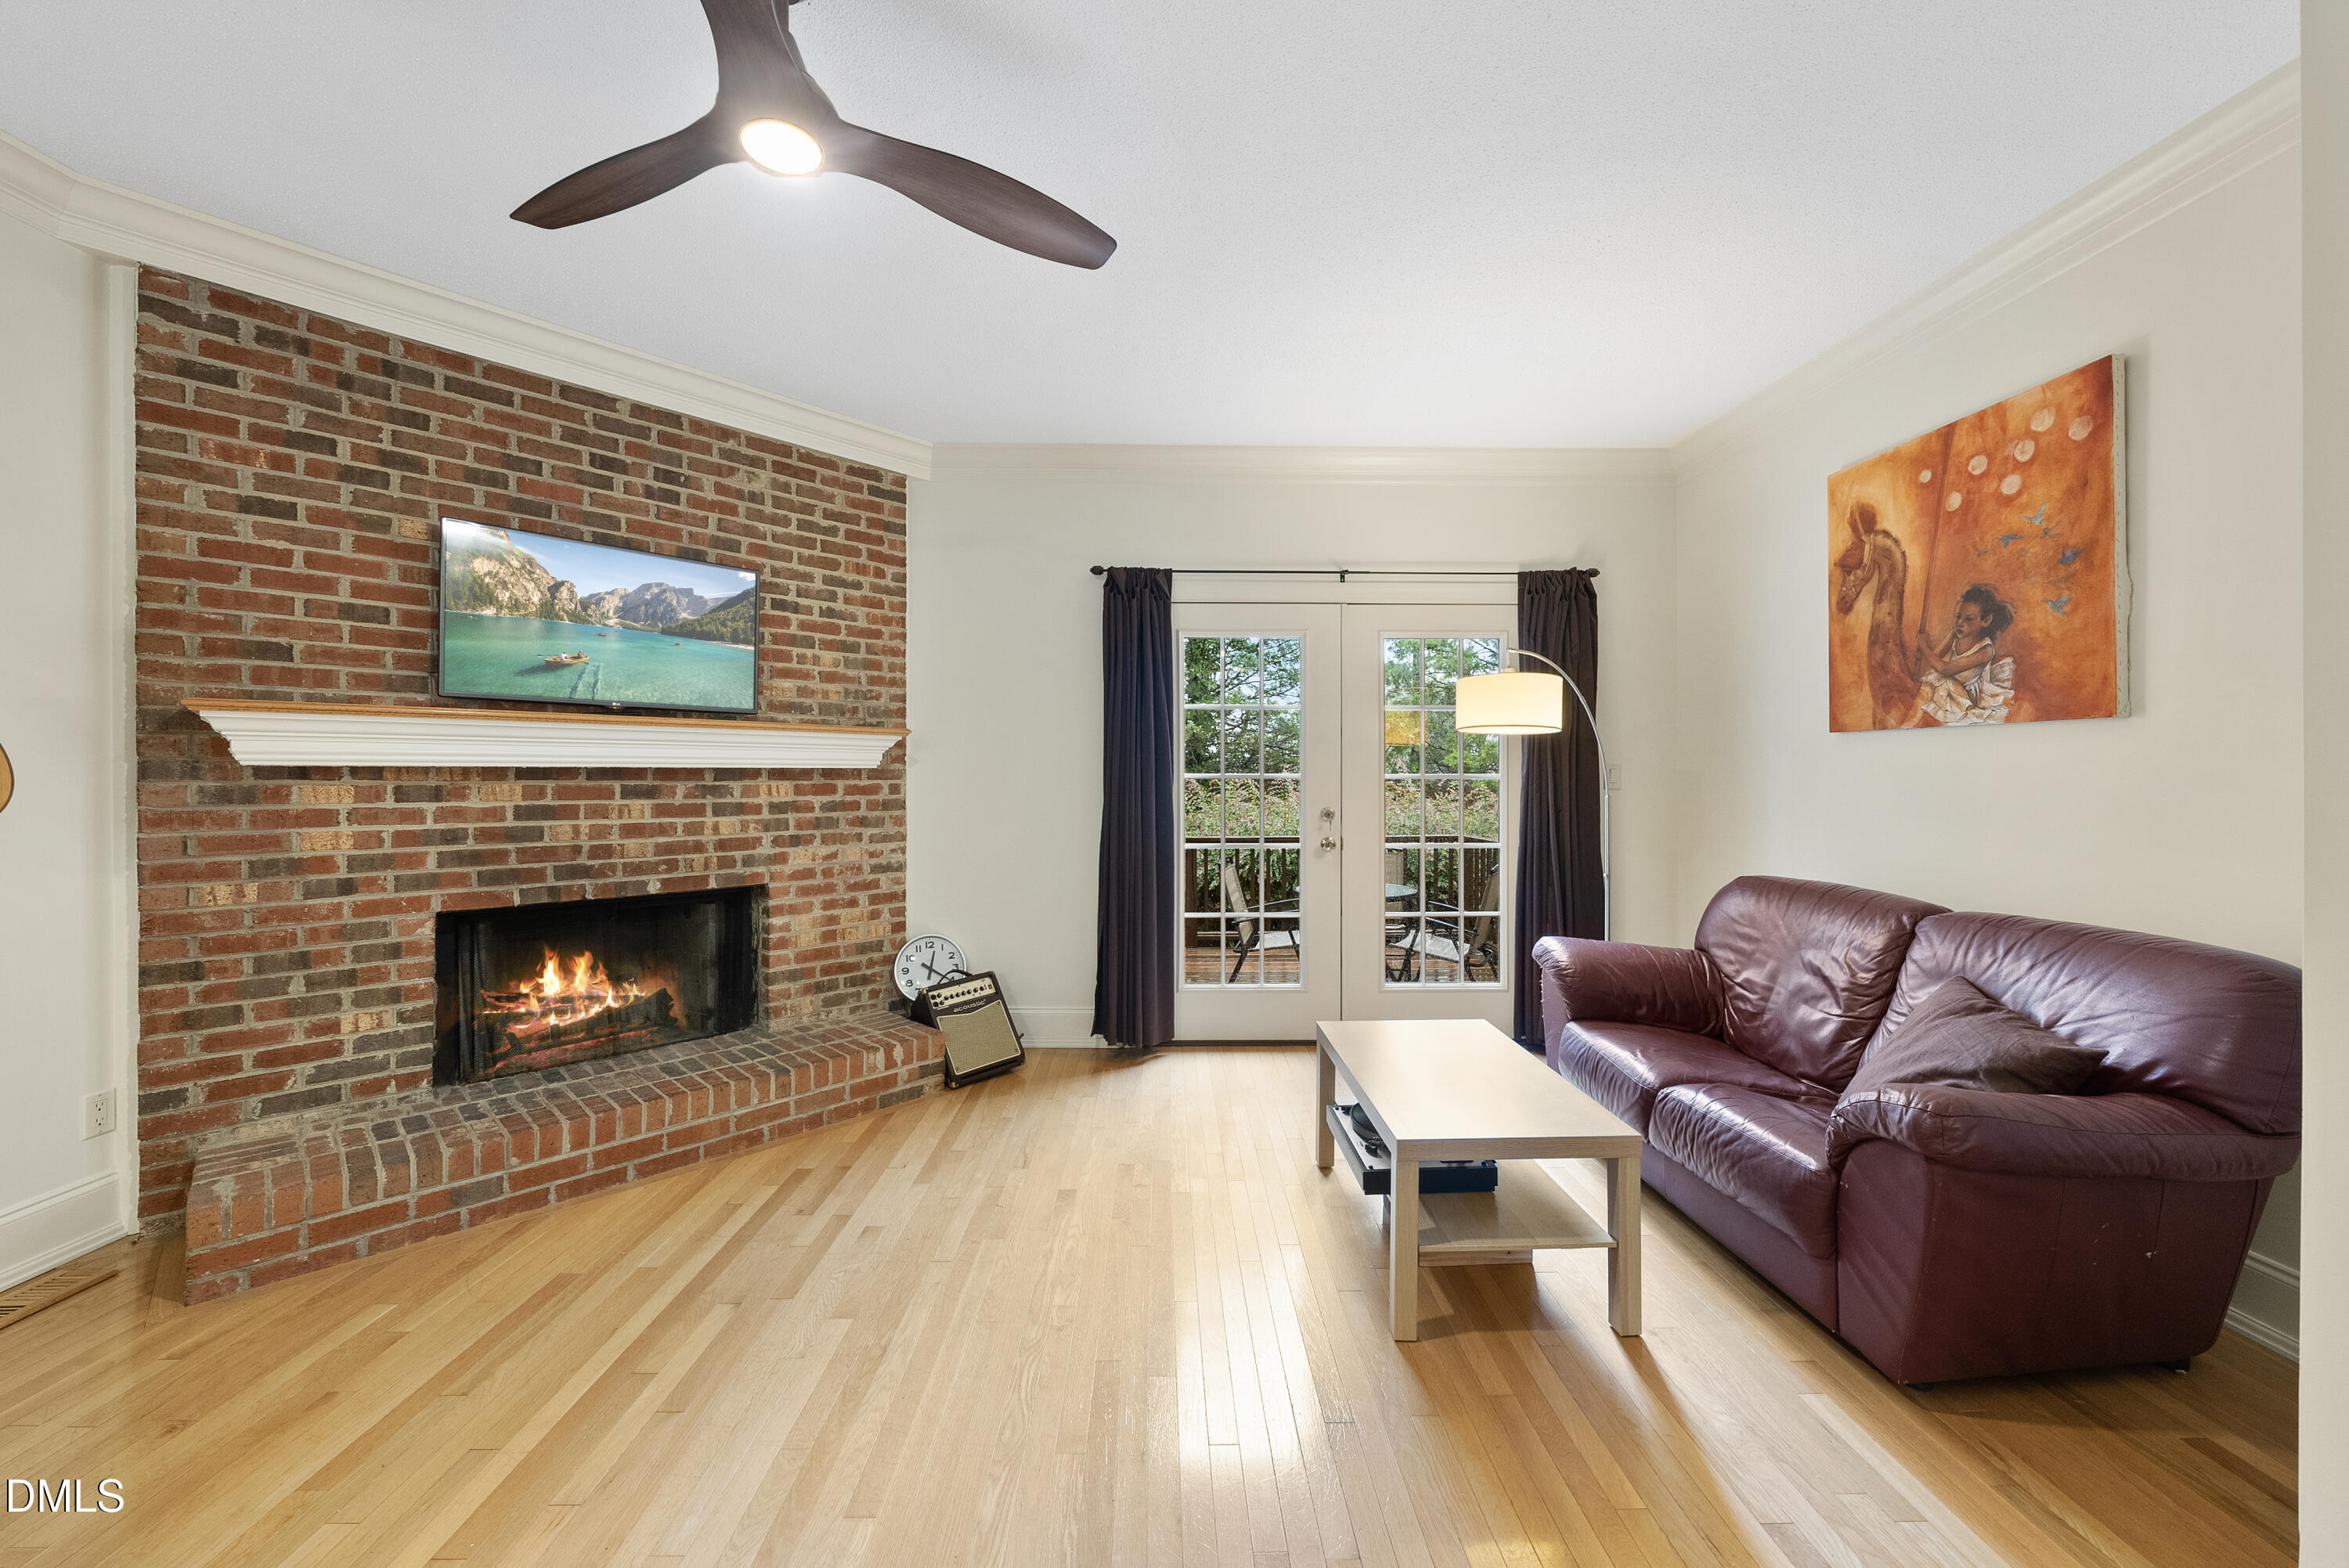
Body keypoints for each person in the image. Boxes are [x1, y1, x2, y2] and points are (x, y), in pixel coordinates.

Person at [1911, 583, 2015, 725]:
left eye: (1968, 619)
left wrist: (1924, 647)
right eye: (1958, 616)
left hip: (1966, 693)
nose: (1960, 623)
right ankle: (1911, 722)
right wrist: (1927, 650)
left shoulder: (1986, 650)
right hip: (1951, 683)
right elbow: (1937, 657)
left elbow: (1946, 669)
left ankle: (1912, 723)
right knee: (1933, 682)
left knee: (1943, 682)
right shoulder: (1956, 632)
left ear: (1986, 620)